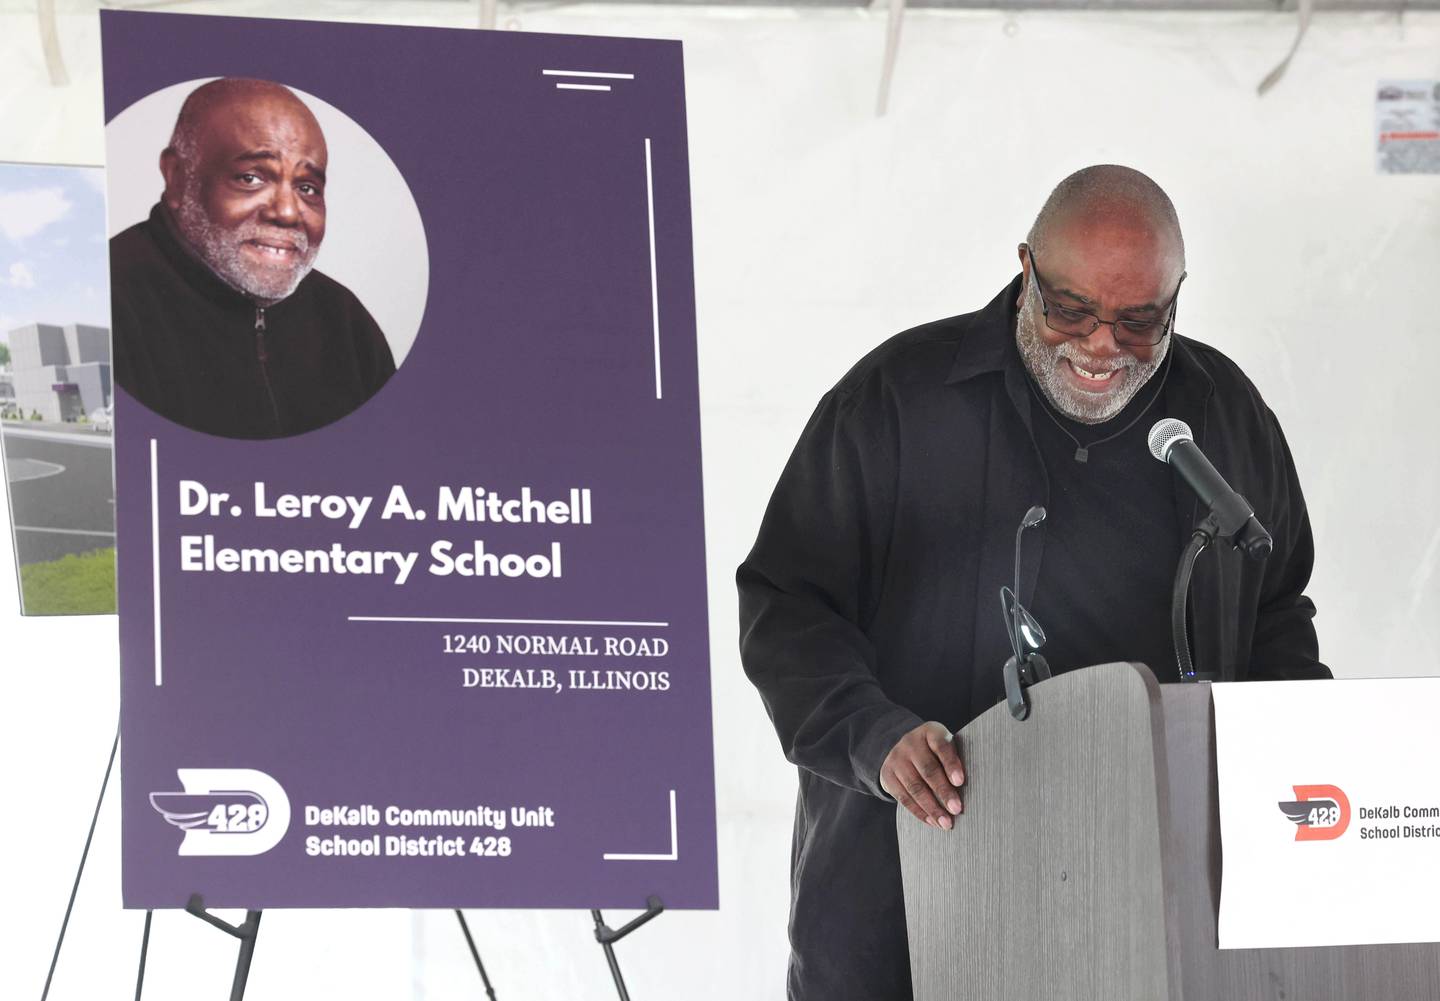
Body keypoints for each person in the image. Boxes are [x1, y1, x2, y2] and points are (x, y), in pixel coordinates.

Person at [736, 165, 1330, 1000]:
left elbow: (1276, 617)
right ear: (1025, 270)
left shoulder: (1223, 420)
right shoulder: (898, 398)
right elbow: (788, 601)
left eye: (1139, 321)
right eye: (1071, 310)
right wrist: (874, 737)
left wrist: (1310, 755)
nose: (1099, 346)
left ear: (1177, 297)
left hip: (1143, 909)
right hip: (908, 892)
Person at [111, 78, 394, 439]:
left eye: (308, 188)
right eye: (251, 178)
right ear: (178, 178)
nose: (289, 212)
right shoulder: (110, 300)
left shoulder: (346, 321)